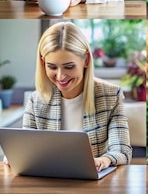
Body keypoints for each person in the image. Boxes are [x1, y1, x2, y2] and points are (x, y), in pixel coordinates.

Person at [23, 22, 132, 171]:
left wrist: (104, 160)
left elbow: (122, 150)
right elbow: (26, 149)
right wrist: (15, 156)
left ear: (86, 60)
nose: (60, 76)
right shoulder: (35, 100)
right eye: (52, 67)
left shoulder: (111, 96)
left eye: (69, 66)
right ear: (43, 63)